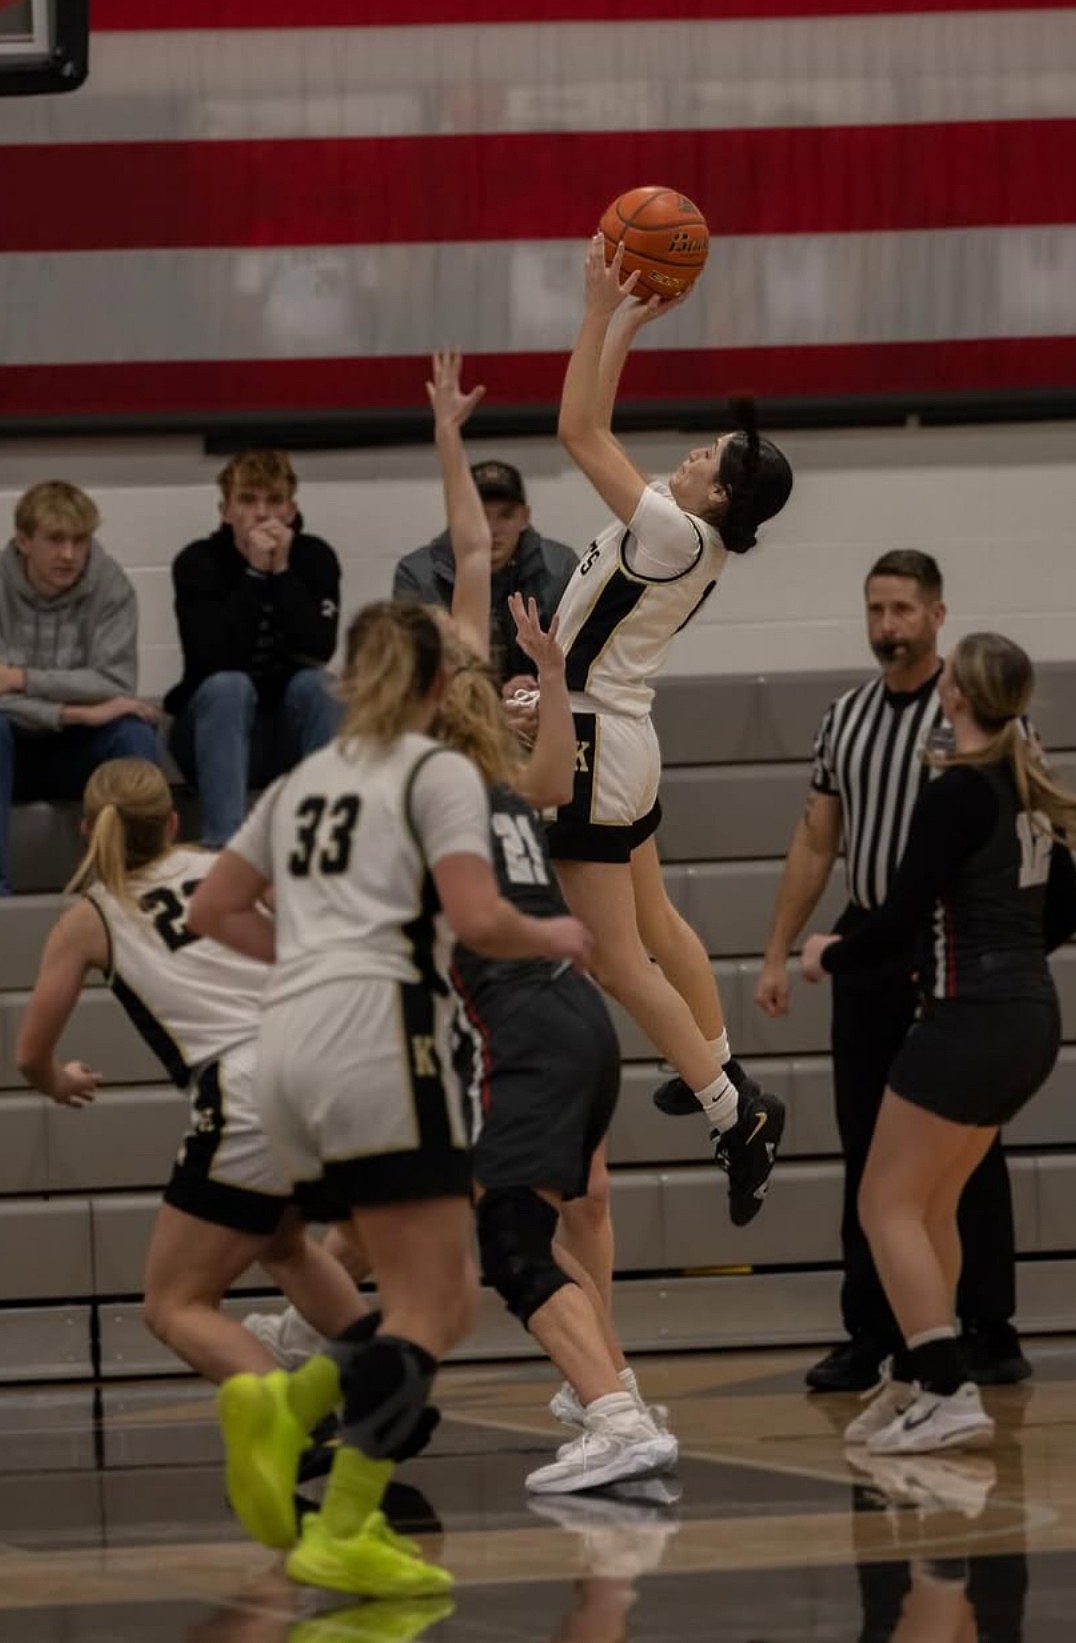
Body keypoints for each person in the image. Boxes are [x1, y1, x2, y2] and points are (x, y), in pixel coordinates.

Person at [245, 353, 677, 1497]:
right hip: (564, 1025)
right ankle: (589, 1383)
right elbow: (475, 557)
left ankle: (612, 1404)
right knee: (480, 1194)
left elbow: (474, 560)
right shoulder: (485, 760)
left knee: (507, 1232)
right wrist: (444, 436)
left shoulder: (416, 777)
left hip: (524, 1016)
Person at [187, 599, 592, 1600]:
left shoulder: (299, 780)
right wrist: (549, 936)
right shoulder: (438, 771)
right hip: (382, 1040)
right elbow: (476, 912)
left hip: (284, 1051)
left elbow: (209, 908)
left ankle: (298, 1404)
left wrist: (309, 959)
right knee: (439, 1300)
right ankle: (340, 1512)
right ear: (426, 685)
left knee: (395, 1285)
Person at [548, 236, 793, 1238]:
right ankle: (718, 1065)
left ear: (722, 495)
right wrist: (628, 325)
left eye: (710, 459)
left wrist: (596, 309)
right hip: (619, 735)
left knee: (614, 959)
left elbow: (572, 430)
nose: (691, 452)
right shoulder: (686, 530)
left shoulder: (675, 532)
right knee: (654, 927)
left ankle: (735, 1115)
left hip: (596, 744)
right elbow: (598, 422)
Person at [800, 631, 1076, 1453]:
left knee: (882, 1201)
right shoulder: (1020, 784)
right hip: (1028, 1018)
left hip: (969, 1020)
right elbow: (1065, 911)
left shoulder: (957, 790)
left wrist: (829, 953)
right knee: (929, 1203)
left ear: (954, 697)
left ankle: (943, 1384)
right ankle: (909, 1373)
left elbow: (894, 923)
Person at [752, 551, 1031, 1394]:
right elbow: (815, 838)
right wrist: (776, 948)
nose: (886, 626)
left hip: (953, 943)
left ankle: (986, 1324)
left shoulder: (977, 716)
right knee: (865, 1145)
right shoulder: (844, 717)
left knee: (962, 1154)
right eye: (875, 608)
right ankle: (875, 1330)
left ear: (937, 615)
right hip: (870, 939)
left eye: (902, 609)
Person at [13, 757, 367, 1385]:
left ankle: (293, 1427)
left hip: (249, 1084)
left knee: (174, 1305)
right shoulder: (222, 864)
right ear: (173, 822)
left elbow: (30, 1053)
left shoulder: (89, 918)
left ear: (88, 829)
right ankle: (387, 1384)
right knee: (283, 1246)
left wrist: (57, 1081)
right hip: (326, 1061)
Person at [164, 450, 342, 847]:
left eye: (275, 501)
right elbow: (214, 657)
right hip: (210, 730)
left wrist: (280, 572)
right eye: (248, 501)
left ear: (292, 509)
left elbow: (317, 647)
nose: (263, 515)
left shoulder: (315, 558)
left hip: (282, 730)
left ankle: (323, 844)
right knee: (229, 686)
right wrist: (254, 573)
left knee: (321, 685)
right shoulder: (197, 563)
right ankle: (222, 849)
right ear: (225, 511)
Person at [0, 481, 158, 895]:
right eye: (55, 540)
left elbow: (115, 682)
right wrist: (74, 711)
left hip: (78, 750)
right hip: (12, 745)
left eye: (79, 540)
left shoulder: (112, 585)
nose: (69, 555)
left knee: (132, 732)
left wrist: (22, 679)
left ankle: (140, 887)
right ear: (23, 541)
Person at [393, 450, 577, 687]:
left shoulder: (560, 568)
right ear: (457, 517)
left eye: (505, 515)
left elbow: (577, 660)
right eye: (479, 514)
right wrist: (498, 698)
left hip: (538, 710)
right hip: (452, 712)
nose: (491, 529)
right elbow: (414, 673)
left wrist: (538, 697)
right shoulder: (416, 575)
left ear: (524, 518)